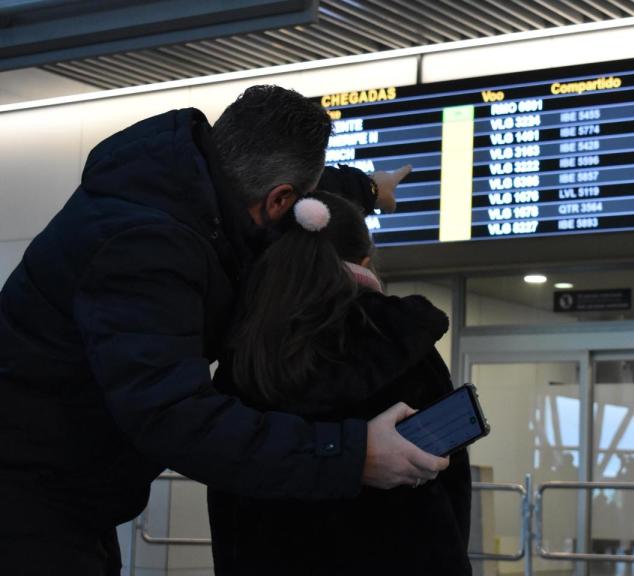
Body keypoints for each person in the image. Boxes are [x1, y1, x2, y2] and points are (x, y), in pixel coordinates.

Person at [0, 85, 446, 575]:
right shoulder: (144, 249)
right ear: (282, 199)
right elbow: (175, 416)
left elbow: (296, 196)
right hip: (30, 507)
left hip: (64, 495)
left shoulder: (179, 178)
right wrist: (351, 454)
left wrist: (366, 188)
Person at [207, 192, 471, 575]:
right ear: (365, 263)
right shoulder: (402, 344)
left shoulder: (246, 355)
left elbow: (228, 491)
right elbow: (450, 481)